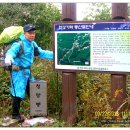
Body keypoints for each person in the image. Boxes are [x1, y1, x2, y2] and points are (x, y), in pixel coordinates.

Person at [4, 24, 53, 122]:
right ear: (25, 33)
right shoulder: (19, 44)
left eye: (33, 33)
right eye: (30, 33)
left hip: (27, 72)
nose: (32, 35)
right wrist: (8, 57)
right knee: (18, 93)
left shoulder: (32, 44)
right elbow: (11, 52)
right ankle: (15, 114)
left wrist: (55, 55)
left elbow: (41, 53)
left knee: (33, 91)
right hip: (18, 73)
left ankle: (36, 113)